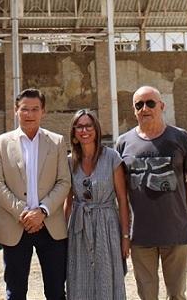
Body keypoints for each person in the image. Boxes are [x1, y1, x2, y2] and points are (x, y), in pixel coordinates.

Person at [115, 86, 187, 300]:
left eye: (150, 103)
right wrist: (125, 233)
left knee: (177, 295)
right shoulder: (123, 142)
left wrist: (182, 202)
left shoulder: (180, 137)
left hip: (176, 232)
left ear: (161, 106)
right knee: (146, 295)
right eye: (139, 105)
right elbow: (121, 191)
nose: (145, 108)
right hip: (140, 236)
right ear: (134, 111)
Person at [0, 88, 71, 300]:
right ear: (16, 111)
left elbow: (64, 181)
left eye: (35, 109)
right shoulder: (0, 143)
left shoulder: (57, 142)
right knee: (15, 293)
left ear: (43, 111)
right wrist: (25, 213)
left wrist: (42, 211)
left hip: (50, 226)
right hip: (16, 225)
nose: (29, 114)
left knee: (55, 292)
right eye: (24, 109)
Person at [64, 109, 129, 300]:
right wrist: (63, 236)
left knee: (107, 277)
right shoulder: (69, 162)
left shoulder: (112, 158)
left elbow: (123, 199)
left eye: (88, 125)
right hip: (79, 228)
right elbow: (68, 202)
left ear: (96, 129)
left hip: (107, 225)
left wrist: (125, 236)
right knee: (79, 278)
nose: (84, 130)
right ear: (74, 133)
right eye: (80, 126)